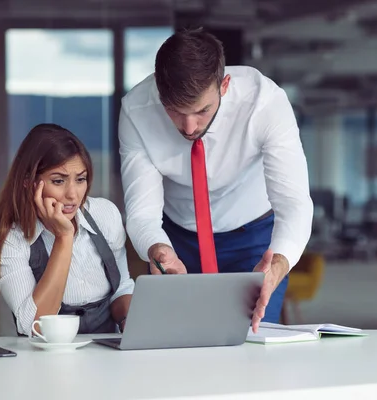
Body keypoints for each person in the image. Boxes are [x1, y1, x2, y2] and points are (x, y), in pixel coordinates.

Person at [118, 28, 313, 332]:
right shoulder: (135, 111)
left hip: (254, 240)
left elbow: (294, 203)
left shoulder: (265, 103)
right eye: (175, 112)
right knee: (176, 342)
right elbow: (142, 213)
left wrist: (277, 267)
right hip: (176, 241)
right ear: (158, 89)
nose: (189, 126)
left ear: (224, 85)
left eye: (202, 110)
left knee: (251, 344)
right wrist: (157, 248)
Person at [0, 123, 134, 336]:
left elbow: (121, 288)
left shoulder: (105, 214)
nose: (73, 194)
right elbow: (33, 325)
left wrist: (130, 321)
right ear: (29, 182)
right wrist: (64, 237)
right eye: (58, 181)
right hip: (45, 355)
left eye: (80, 179)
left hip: (107, 351)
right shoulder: (11, 238)